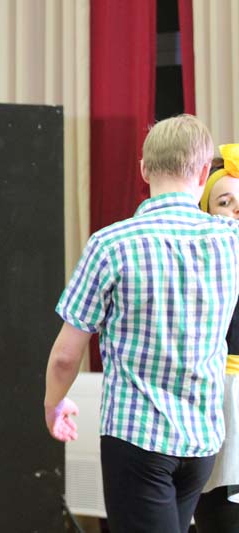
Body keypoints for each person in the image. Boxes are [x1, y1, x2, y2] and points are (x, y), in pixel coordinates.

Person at [44, 114, 239, 532]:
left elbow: (65, 356)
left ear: (144, 170)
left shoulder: (110, 244)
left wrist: (53, 403)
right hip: (202, 441)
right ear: (203, 174)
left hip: (137, 438)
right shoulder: (230, 240)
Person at [193, 146, 239, 533]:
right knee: (222, 510)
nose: (237, 211)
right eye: (225, 202)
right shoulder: (198, 269)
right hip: (220, 393)